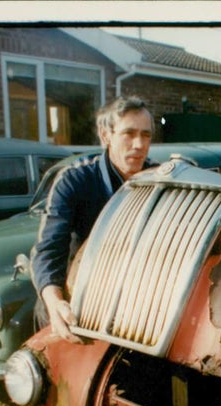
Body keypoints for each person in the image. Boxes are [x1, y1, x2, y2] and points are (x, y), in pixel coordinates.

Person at [31, 95, 155, 342]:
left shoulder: (161, 180)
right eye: (129, 134)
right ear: (105, 135)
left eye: (146, 135)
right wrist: (55, 302)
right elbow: (48, 249)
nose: (139, 144)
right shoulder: (74, 180)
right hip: (75, 303)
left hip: (131, 308)